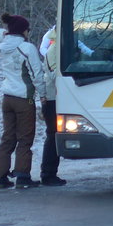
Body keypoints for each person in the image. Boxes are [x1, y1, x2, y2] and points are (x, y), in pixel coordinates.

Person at [0, 14, 45, 190]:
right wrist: (43, 95)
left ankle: (0, 177)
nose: (28, 32)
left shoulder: (1, 47)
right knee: (24, 138)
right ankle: (22, 176)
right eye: (27, 29)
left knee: (8, 137)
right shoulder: (27, 48)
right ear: (23, 30)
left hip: (7, 97)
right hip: (24, 99)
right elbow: (36, 74)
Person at [37, 24, 66, 187]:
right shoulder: (53, 50)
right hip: (51, 98)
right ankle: (48, 174)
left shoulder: (57, 48)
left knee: (53, 135)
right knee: (53, 135)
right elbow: (54, 74)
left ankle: (49, 173)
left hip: (54, 97)